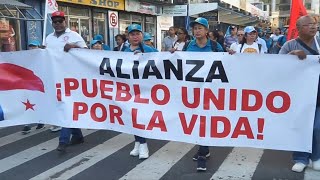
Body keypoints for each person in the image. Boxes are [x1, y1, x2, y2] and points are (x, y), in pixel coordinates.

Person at [279, 15, 320, 173]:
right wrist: (291, 58)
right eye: (308, 24)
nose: (313, 27)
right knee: (301, 127)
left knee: (316, 128)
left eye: (315, 24)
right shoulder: (290, 45)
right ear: (298, 28)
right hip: (298, 95)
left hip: (318, 94)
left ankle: (316, 157)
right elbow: (276, 66)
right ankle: (301, 158)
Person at [182, 17, 223, 171]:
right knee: (197, 120)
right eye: (195, 28)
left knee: (205, 119)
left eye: (200, 28)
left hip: (211, 91)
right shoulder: (188, 46)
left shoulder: (215, 46)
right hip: (193, 90)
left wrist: (232, 55)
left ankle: (202, 154)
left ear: (206, 31)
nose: (196, 31)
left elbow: (225, 64)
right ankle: (203, 150)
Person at [45, 11, 87, 152]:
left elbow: (88, 53)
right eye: (55, 21)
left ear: (65, 21)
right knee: (64, 105)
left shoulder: (74, 36)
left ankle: (63, 140)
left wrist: (74, 47)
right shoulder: (49, 38)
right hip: (54, 76)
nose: (57, 24)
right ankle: (78, 136)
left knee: (66, 106)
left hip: (71, 77)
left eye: (60, 21)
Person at [123, 24, 158, 159]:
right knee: (133, 117)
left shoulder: (150, 49)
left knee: (140, 117)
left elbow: (162, 62)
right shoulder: (125, 51)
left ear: (142, 36)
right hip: (130, 90)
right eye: (132, 34)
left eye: (138, 34)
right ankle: (138, 142)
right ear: (128, 36)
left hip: (145, 90)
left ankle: (143, 144)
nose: (135, 36)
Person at [21, 40, 45, 134]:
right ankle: (26, 125)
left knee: (39, 103)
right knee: (26, 104)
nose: (32, 48)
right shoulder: (25, 57)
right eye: (31, 46)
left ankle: (41, 121)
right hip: (27, 84)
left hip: (39, 85)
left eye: (34, 46)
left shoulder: (43, 57)